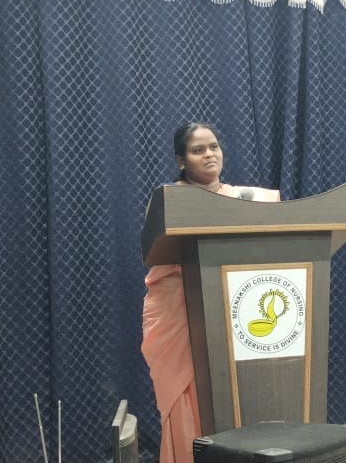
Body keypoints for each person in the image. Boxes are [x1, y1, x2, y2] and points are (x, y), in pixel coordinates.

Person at [141, 123, 279, 463]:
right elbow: (156, 251)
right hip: (178, 308)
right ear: (181, 160)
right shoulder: (168, 200)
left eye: (213, 147)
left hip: (232, 306)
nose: (209, 155)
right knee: (187, 393)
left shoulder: (247, 199)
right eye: (197, 150)